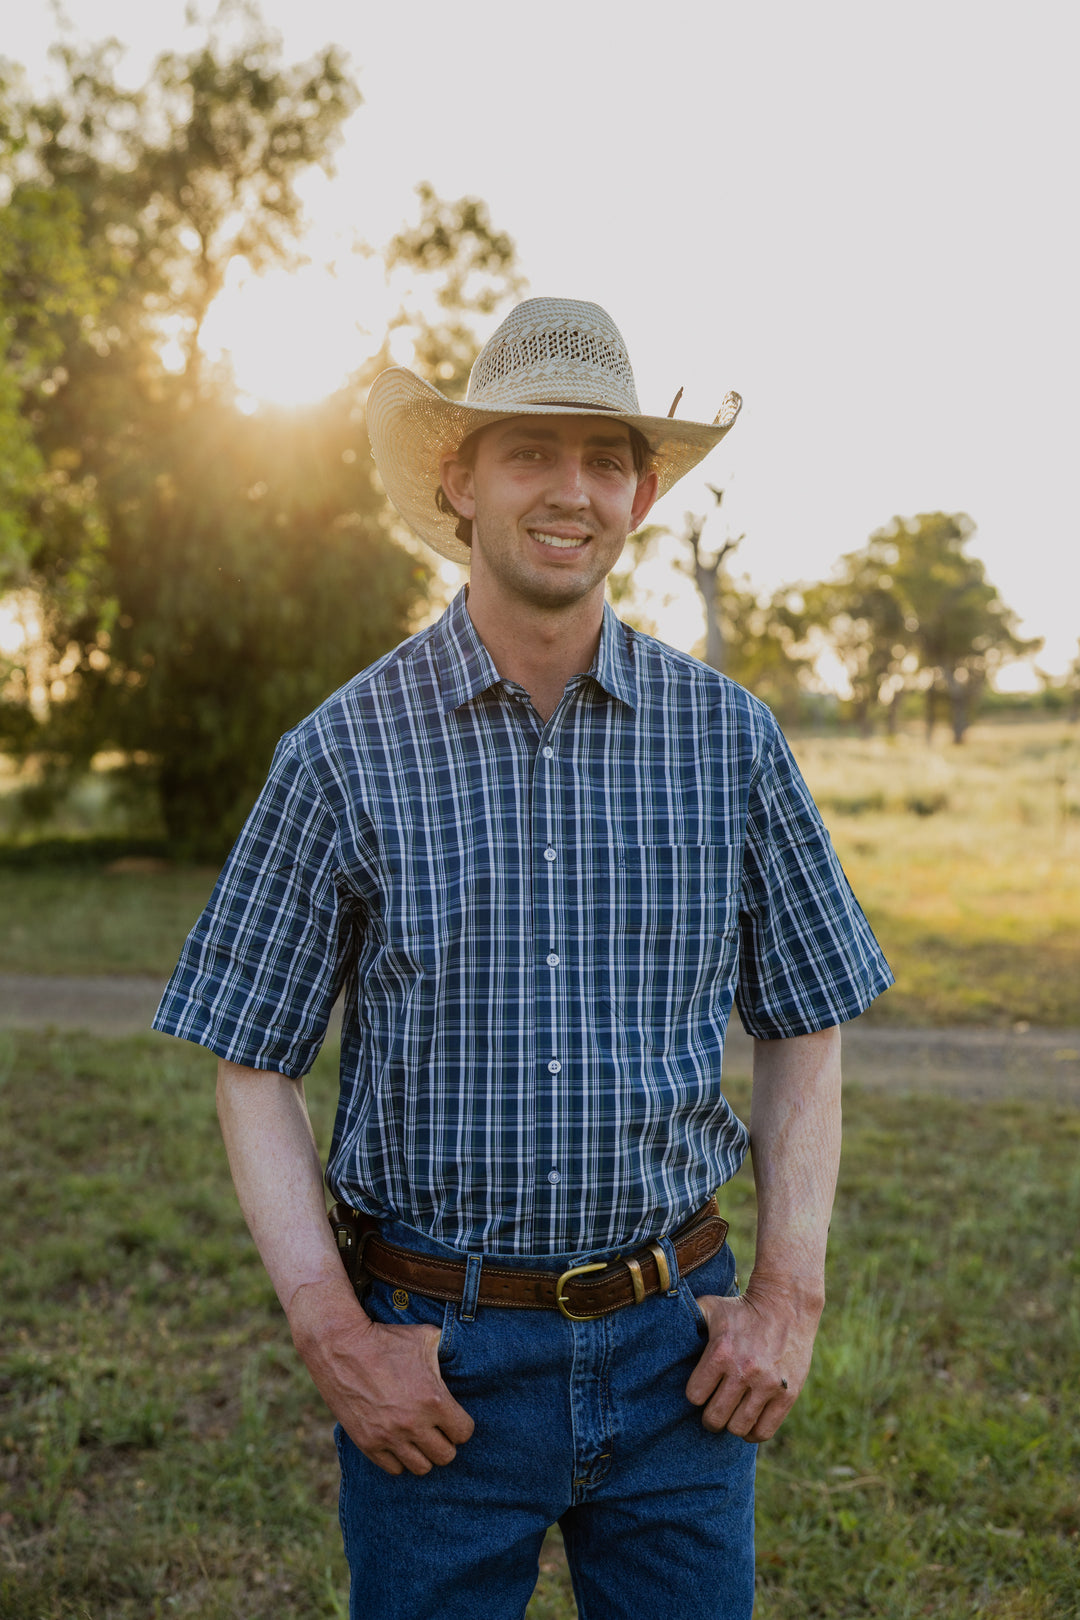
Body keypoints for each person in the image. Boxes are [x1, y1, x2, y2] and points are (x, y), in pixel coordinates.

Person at [154, 297, 893, 1620]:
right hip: (436, 1366)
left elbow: (807, 1022)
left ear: (643, 492)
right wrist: (336, 1340)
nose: (572, 490)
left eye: (603, 458)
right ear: (459, 479)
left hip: (683, 1357)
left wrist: (787, 1296)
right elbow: (248, 1062)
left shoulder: (729, 742)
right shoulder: (343, 752)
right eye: (529, 454)